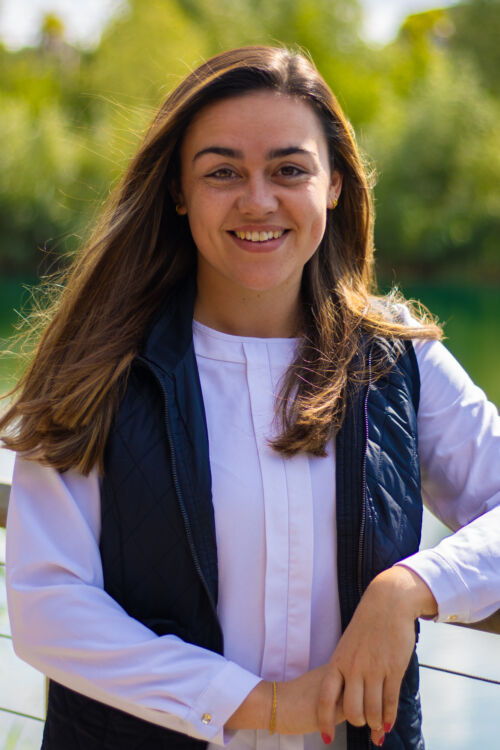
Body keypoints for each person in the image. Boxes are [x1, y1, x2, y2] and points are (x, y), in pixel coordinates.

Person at [2, 46, 499, 750]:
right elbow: (48, 604)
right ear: (178, 191)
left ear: (334, 184)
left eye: (290, 169)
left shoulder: (398, 358)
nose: (258, 200)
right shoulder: (99, 366)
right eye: (223, 171)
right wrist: (259, 704)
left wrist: (412, 587)